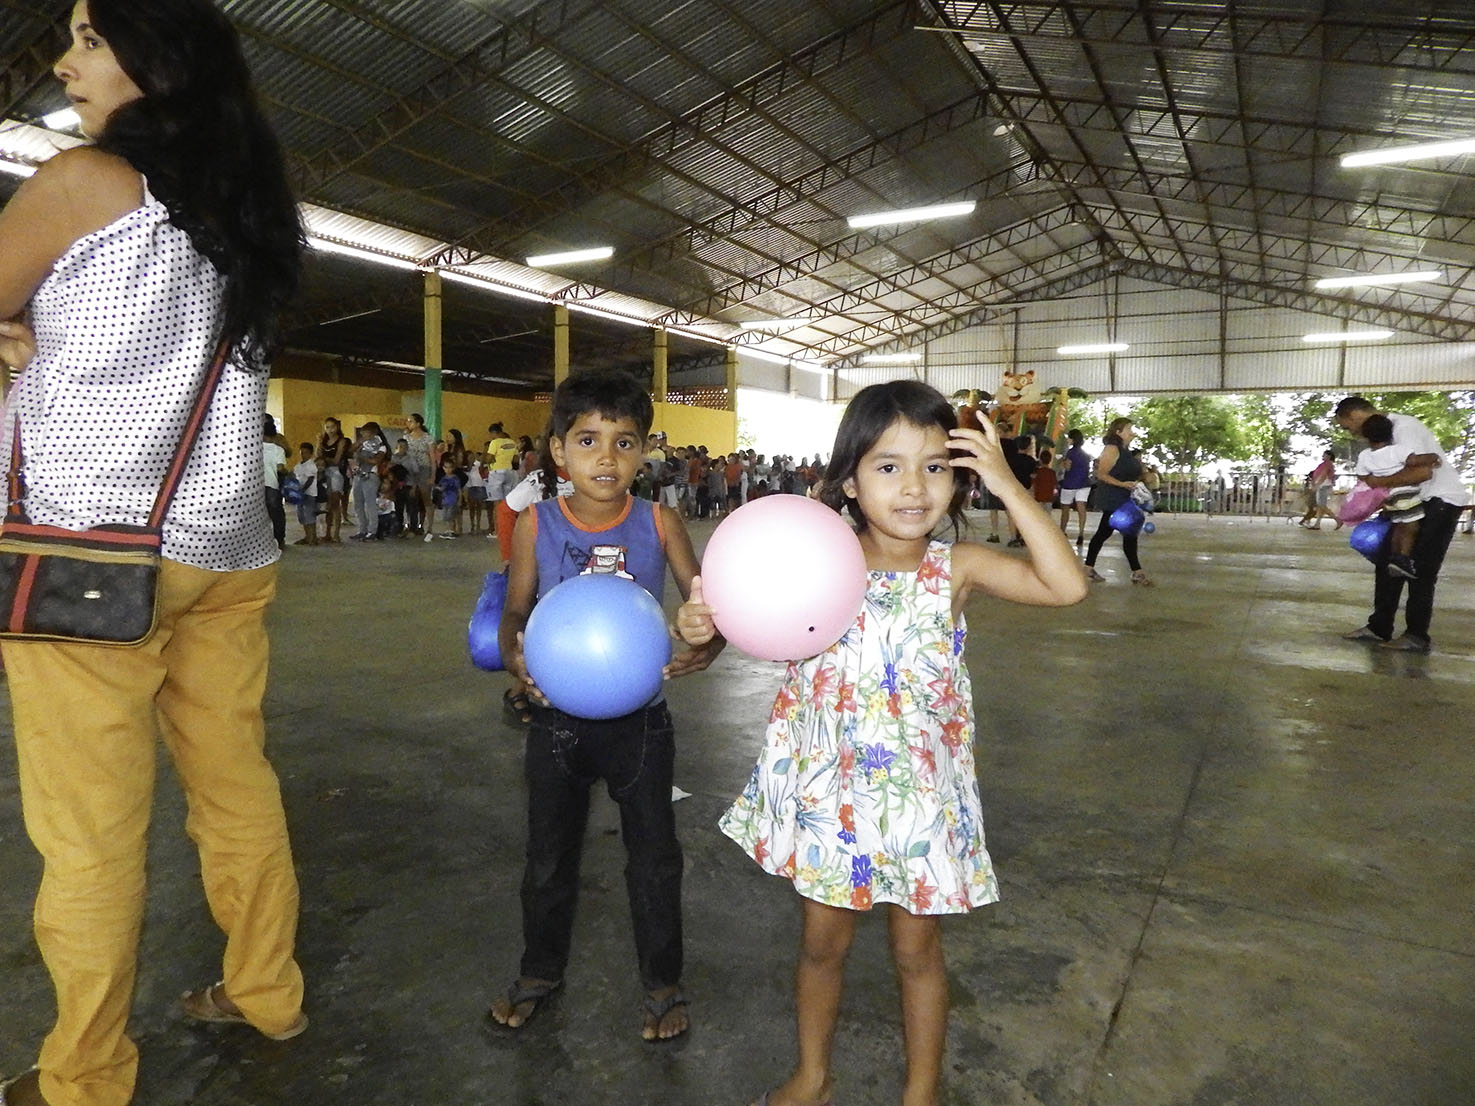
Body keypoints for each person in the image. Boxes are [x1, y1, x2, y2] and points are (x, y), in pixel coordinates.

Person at [0, 2, 309, 1103]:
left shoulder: (84, 183)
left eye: (90, 37)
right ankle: (266, 990)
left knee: (89, 836)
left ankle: (83, 1077)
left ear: (158, 58)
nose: (63, 61)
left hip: (90, 553)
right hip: (227, 548)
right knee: (234, 785)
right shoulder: (247, 215)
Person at [675, 380, 1085, 1106]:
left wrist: (1009, 484)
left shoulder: (954, 568)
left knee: (916, 951)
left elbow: (1066, 587)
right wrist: (698, 627)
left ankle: (919, 1094)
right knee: (821, 945)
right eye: (888, 466)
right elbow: (729, 626)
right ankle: (813, 1077)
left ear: (958, 479)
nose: (914, 487)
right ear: (850, 481)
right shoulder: (811, 561)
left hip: (917, 801)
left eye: (935, 466)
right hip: (828, 798)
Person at [489, 369, 722, 1042]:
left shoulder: (660, 522)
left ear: (644, 450)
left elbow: (706, 603)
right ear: (558, 450)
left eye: (624, 442)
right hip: (554, 721)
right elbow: (514, 612)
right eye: (587, 440)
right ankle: (538, 972)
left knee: (654, 858)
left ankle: (662, 984)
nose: (606, 457)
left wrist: (708, 644)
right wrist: (517, 661)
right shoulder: (536, 523)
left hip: (640, 722)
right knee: (547, 857)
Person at [1335, 395, 1466, 652]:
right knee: (1389, 562)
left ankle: (1417, 635)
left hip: (1439, 501)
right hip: (1411, 502)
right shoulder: (1381, 440)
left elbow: (1421, 472)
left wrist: (1377, 483)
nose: (1351, 433)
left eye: (1348, 427)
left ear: (1354, 415)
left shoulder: (1403, 427)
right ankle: (1379, 626)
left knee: (1420, 568)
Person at [1083, 418, 1153, 586]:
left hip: (1124, 497)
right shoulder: (1112, 449)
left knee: (1108, 532)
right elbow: (1101, 474)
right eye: (1128, 428)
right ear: (1118, 432)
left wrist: (1143, 477)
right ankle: (1136, 572)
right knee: (1124, 533)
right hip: (1113, 498)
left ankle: (1089, 567)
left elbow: (1130, 472)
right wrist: (1122, 484)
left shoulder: (1126, 451)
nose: (1132, 431)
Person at [1353, 416, 1424, 579]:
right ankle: (1403, 558)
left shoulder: (1365, 455)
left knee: (1398, 525)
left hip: (1388, 496)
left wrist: (1378, 477)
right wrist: (1432, 457)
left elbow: (1362, 476)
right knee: (1411, 526)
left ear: (1366, 436)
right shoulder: (1397, 450)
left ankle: (1394, 556)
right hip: (1405, 492)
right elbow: (1413, 461)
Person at [348, 422, 388, 541]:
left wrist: (362, 457)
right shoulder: (362, 444)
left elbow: (376, 460)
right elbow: (350, 451)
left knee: (370, 504)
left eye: (366, 432)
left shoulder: (381, 446)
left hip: (371, 476)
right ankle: (362, 529)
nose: (364, 434)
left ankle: (372, 531)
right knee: (358, 504)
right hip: (358, 475)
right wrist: (359, 443)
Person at [316, 416, 351, 543]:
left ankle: (336, 533)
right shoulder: (323, 441)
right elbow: (317, 456)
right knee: (327, 505)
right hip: (324, 473)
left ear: (337, 427)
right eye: (327, 427)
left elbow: (336, 460)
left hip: (336, 473)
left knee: (335, 503)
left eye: (332, 427)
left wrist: (325, 460)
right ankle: (327, 533)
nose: (330, 430)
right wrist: (318, 442)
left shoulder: (341, 441)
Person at [1057, 428, 1092, 546]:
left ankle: (1062, 531)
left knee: (1065, 508)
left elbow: (1068, 468)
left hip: (1070, 483)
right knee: (1081, 508)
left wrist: (1062, 462)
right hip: (1084, 483)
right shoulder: (1086, 454)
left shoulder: (1070, 452)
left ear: (1073, 439)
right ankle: (1081, 533)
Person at [262, 415, 287, 550]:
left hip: (257, 485)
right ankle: (279, 539)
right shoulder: (279, 449)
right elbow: (280, 468)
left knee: (260, 514)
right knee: (276, 513)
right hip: (272, 483)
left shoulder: (255, 448)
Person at [1299, 449, 1341, 530]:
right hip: (1323, 486)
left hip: (1323, 486)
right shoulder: (1326, 464)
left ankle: (1337, 520)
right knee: (1321, 506)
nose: (1323, 456)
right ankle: (1317, 524)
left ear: (1329, 456)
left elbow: (1323, 475)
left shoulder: (1327, 464)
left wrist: (1317, 485)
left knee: (1321, 505)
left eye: (1324, 455)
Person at [291, 442, 320, 545]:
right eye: (302, 452)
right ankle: (307, 536)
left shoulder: (311, 465)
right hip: (300, 494)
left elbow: (310, 479)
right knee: (302, 516)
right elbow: (294, 475)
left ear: (311, 454)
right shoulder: (299, 465)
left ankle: (313, 537)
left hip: (309, 494)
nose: (303, 455)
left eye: (306, 453)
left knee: (309, 516)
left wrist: (303, 490)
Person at [436, 457, 462, 538]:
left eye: (450, 467)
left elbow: (459, 490)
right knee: (445, 516)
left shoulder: (455, 478)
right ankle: (449, 530)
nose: (448, 469)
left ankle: (452, 530)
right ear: (443, 468)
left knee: (451, 516)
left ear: (453, 468)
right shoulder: (443, 478)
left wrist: (460, 500)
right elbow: (442, 488)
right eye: (446, 467)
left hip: (453, 500)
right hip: (445, 500)